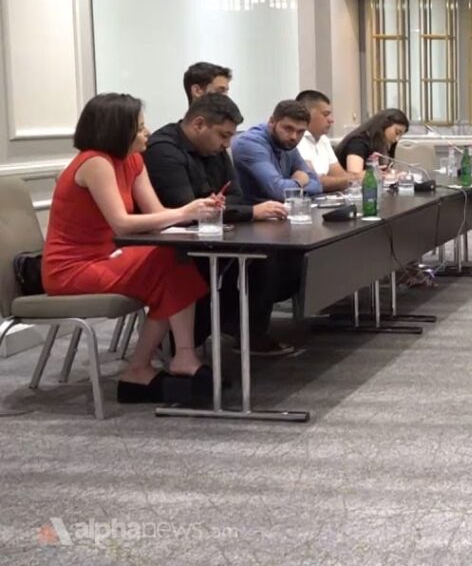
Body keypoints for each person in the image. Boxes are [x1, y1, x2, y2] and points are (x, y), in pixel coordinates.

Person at [42, 93, 215, 403]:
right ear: (117, 131)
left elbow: (156, 215)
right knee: (169, 264)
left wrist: (197, 210)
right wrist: (185, 213)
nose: (147, 132)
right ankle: (167, 360)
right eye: (139, 127)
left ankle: (161, 362)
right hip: (72, 268)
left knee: (174, 259)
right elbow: (122, 224)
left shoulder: (133, 160)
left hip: (107, 256)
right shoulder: (95, 162)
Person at [144, 93, 298, 356]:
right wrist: (245, 211)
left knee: (270, 255)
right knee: (236, 262)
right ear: (199, 124)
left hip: (213, 232)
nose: (227, 144)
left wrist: (218, 207)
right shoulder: (163, 150)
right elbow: (187, 208)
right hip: (172, 243)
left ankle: (247, 332)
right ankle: (186, 342)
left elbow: (235, 195)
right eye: (223, 135)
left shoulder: (214, 148)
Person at [231, 100, 321, 203]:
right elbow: (278, 192)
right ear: (272, 122)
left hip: (278, 209)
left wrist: (292, 189)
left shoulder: (287, 144)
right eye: (288, 128)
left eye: (300, 131)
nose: (294, 137)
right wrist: (299, 182)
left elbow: (318, 185)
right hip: (250, 210)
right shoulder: (250, 143)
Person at [296, 90, 354, 192]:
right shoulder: (297, 140)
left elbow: (340, 176)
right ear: (307, 115)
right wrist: (355, 179)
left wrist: (347, 180)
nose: (331, 120)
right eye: (325, 114)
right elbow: (314, 181)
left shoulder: (323, 139)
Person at [334, 108, 410, 176]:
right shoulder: (358, 142)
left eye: (400, 135)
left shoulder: (381, 144)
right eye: (397, 132)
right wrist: (380, 175)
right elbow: (354, 175)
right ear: (385, 124)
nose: (397, 139)